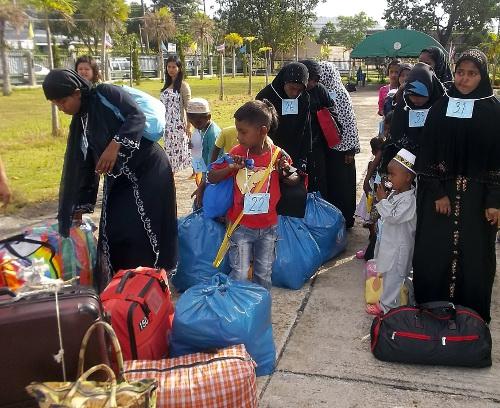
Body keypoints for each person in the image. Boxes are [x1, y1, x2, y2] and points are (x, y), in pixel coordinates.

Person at [42, 69, 177, 291]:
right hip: (121, 179)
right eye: (57, 105)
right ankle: (125, 290)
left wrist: (115, 144)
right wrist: (79, 205)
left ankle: (148, 287)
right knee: (114, 231)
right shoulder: (81, 121)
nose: (62, 108)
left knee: (141, 232)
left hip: (149, 171)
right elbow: (84, 164)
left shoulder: (105, 93)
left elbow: (136, 116)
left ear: (77, 93)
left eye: (63, 101)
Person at [413, 49, 500, 323]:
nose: (464, 79)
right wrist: (438, 192)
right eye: (460, 72)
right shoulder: (442, 105)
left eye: (472, 73)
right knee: (433, 252)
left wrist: (494, 199)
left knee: (475, 256)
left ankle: (471, 315)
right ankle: (432, 307)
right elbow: (428, 151)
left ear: (482, 76)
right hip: (441, 196)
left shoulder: (493, 110)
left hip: (478, 198)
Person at [208, 100, 299, 290]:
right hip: (240, 225)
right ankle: (240, 314)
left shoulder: (278, 155)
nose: (238, 136)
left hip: (268, 227)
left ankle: (258, 312)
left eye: (243, 131)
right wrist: (232, 167)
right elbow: (212, 177)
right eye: (237, 130)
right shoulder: (236, 152)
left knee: (263, 274)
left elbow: (294, 180)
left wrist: (286, 171)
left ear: (262, 131)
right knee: (239, 274)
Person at [366, 148, 417, 315]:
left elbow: (394, 217)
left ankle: (387, 309)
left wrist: (382, 201)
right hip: (391, 246)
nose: (388, 178)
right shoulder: (396, 193)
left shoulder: (409, 200)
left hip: (399, 250)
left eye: (393, 175)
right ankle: (404, 303)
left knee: (395, 280)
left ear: (408, 177)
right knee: (391, 277)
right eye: (388, 174)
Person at [319, 60, 360, 228]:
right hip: (330, 147)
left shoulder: (339, 93)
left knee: (343, 186)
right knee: (333, 185)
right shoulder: (321, 93)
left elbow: (349, 122)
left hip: (343, 149)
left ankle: (345, 219)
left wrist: (350, 149)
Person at [255, 62, 310, 170]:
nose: (295, 93)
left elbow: (306, 128)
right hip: (269, 151)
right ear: (284, 82)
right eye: (292, 88)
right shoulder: (265, 96)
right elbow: (256, 128)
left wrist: (303, 157)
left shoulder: (304, 98)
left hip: (295, 154)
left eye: (299, 90)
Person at [385, 63, 444, 157]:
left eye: (420, 96)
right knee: (395, 167)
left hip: (437, 156)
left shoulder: (442, 105)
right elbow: (396, 136)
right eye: (411, 96)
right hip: (409, 154)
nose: (415, 100)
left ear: (430, 90)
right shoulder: (403, 106)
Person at [186, 98, 220, 207]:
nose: (195, 125)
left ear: (208, 117)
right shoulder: (201, 128)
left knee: (208, 205)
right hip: (207, 175)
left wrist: (202, 186)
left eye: (198, 122)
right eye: (192, 122)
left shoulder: (213, 134)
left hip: (216, 178)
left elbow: (213, 164)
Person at [160, 55, 192, 173]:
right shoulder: (166, 85)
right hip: (166, 126)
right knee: (168, 152)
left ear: (179, 68)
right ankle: (170, 176)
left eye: (174, 67)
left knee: (177, 154)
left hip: (177, 125)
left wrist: (189, 125)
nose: (171, 69)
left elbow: (188, 106)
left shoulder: (183, 86)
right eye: (169, 67)